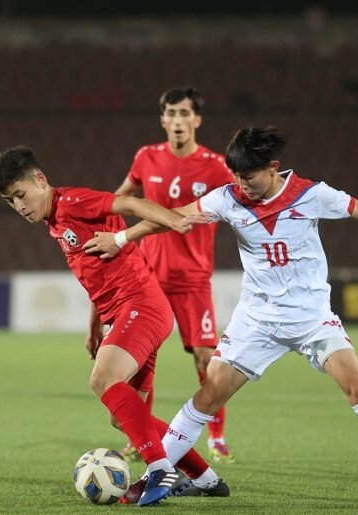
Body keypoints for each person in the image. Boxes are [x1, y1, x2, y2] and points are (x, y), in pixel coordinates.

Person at [85, 127, 358, 510]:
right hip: (256, 321)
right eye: (237, 177)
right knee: (207, 397)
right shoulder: (227, 198)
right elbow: (172, 218)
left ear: (273, 168)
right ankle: (153, 477)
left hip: (311, 317)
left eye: (249, 177)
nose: (242, 185)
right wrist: (121, 239)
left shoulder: (312, 194)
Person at [0, 146, 228, 506]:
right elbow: (95, 274)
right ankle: (205, 478)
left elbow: (130, 203)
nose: (18, 206)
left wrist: (173, 220)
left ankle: (160, 467)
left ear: (40, 180)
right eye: (10, 201)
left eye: (20, 194)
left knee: (102, 379)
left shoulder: (73, 202)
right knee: (125, 417)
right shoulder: (54, 221)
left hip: (141, 306)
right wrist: (95, 324)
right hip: (127, 313)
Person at [114, 87, 236, 464]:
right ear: (162, 120)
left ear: (197, 120)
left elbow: (242, 199)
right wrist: (106, 227)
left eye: (185, 113)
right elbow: (121, 199)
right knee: (140, 361)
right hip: (149, 278)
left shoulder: (216, 166)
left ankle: (216, 438)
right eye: (171, 113)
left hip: (193, 280)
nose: (178, 120)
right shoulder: (146, 157)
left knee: (206, 358)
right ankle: (140, 438)